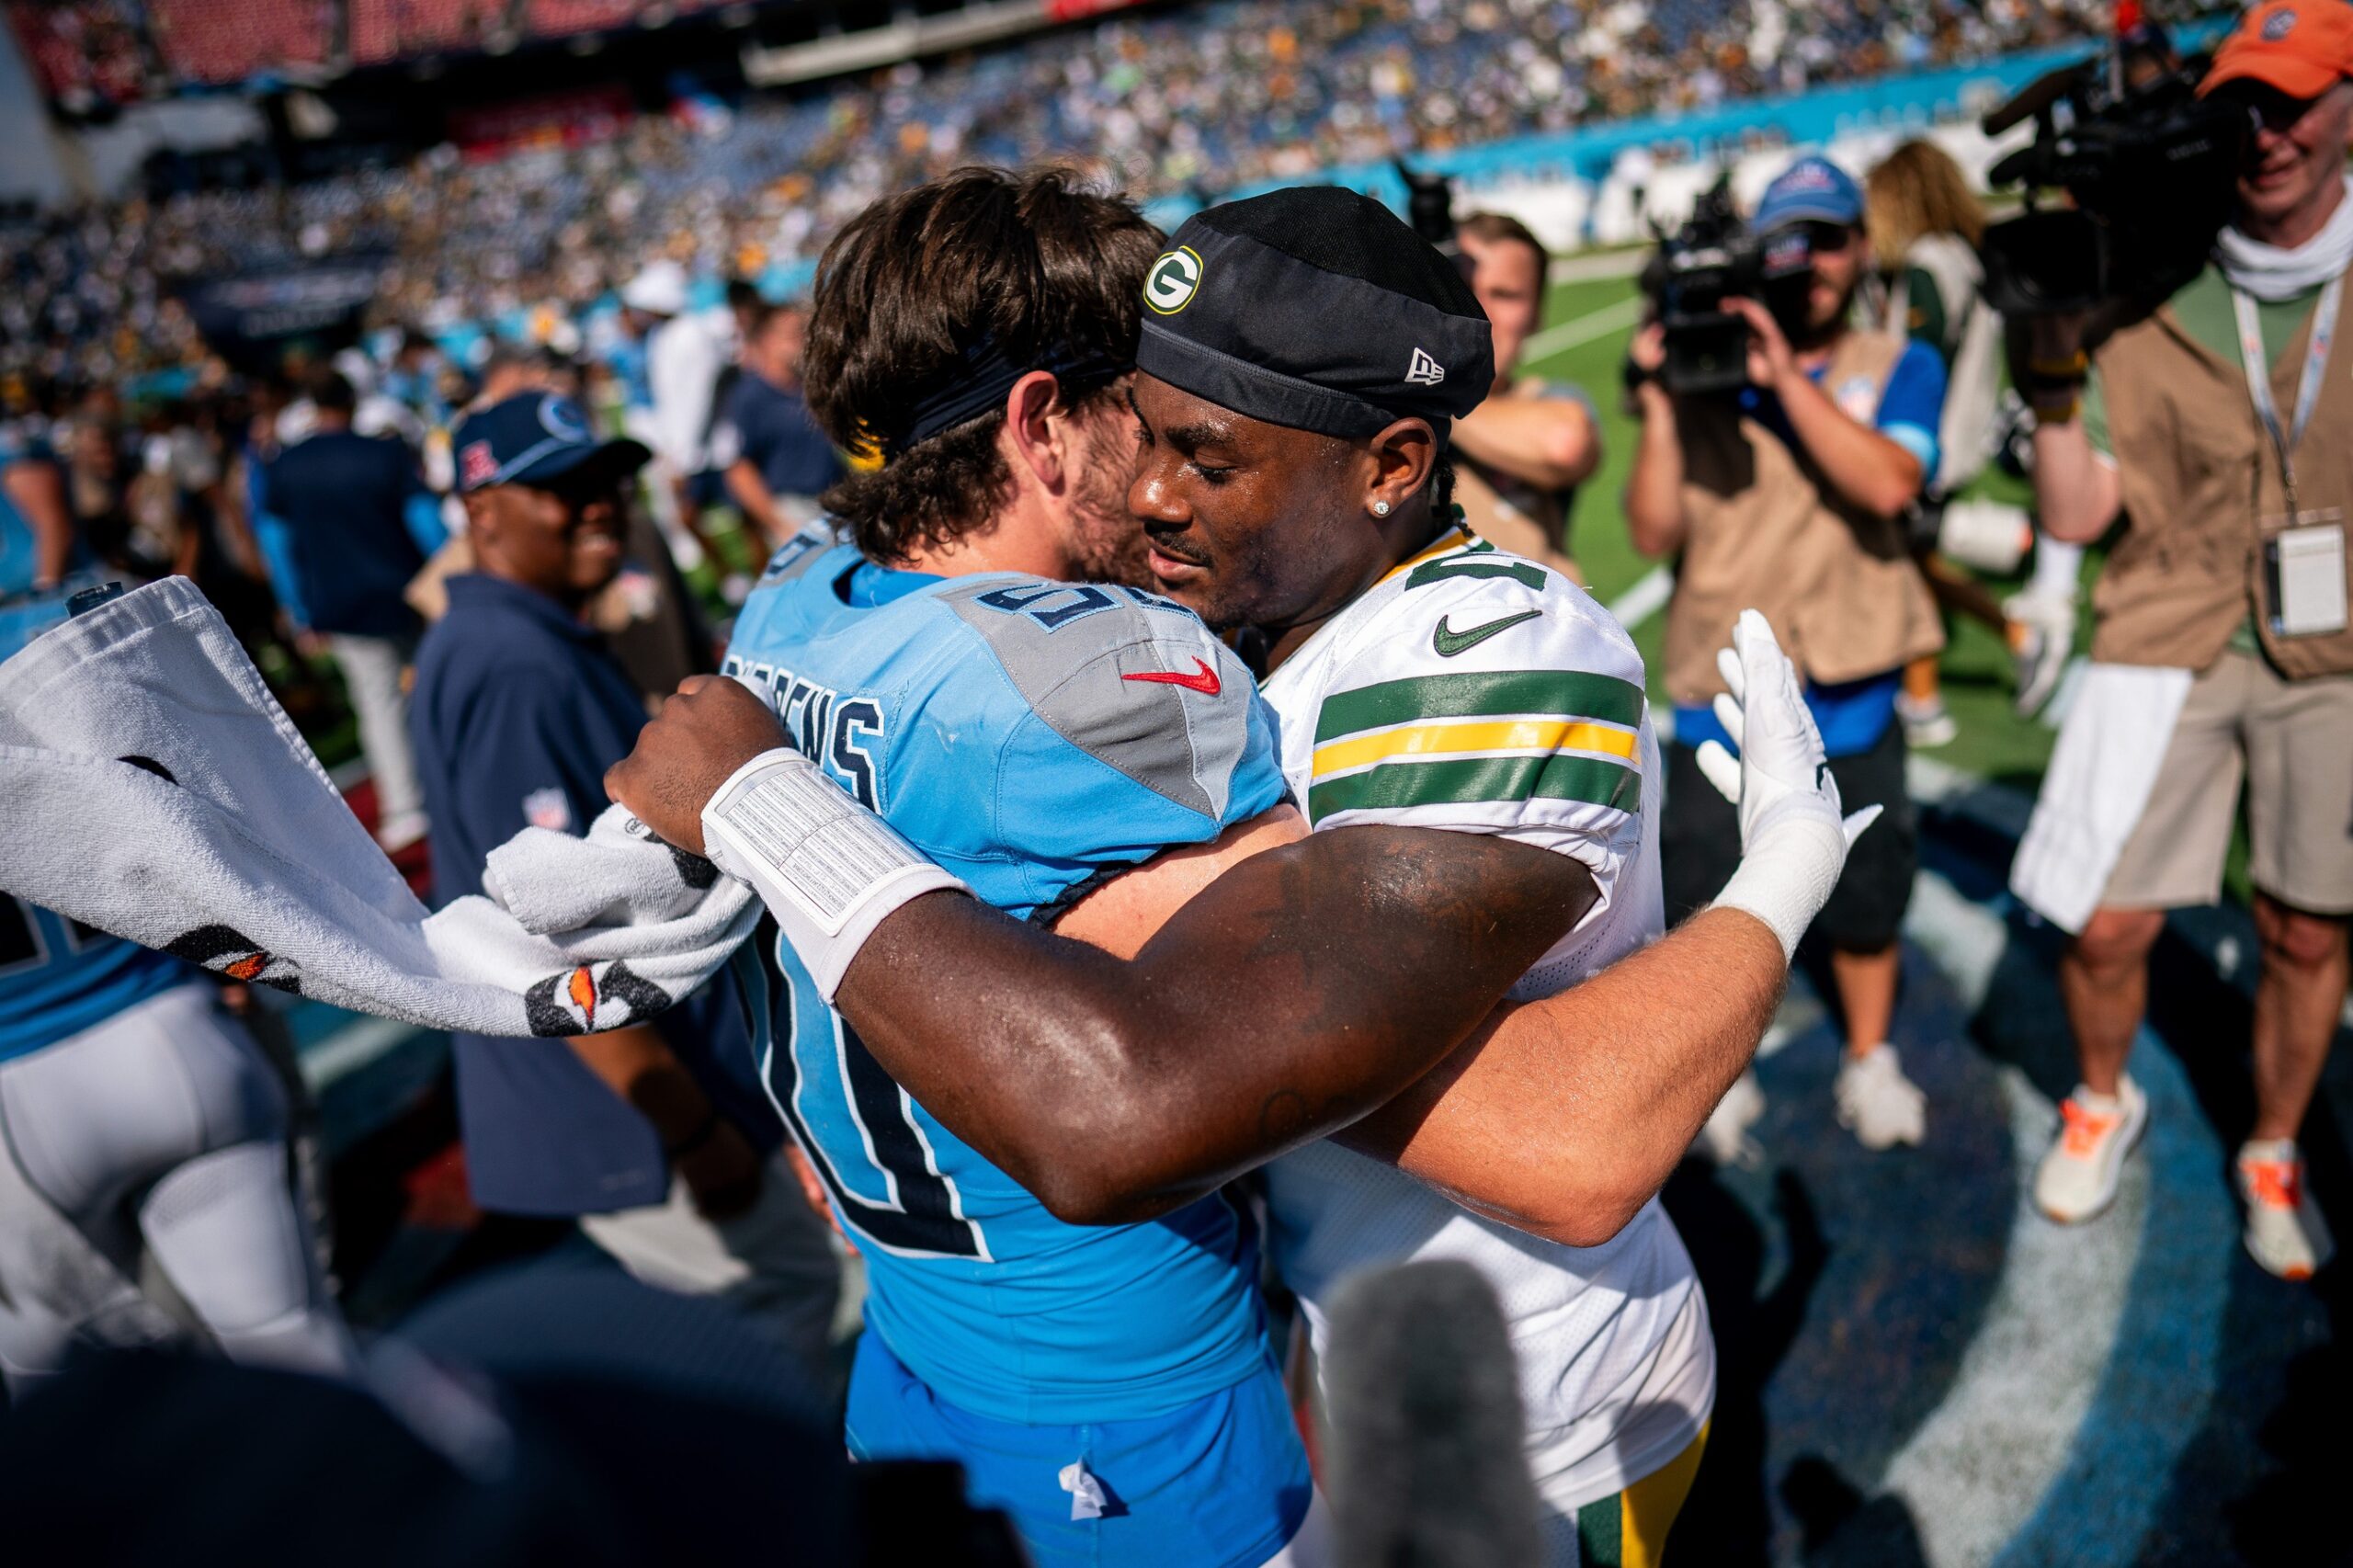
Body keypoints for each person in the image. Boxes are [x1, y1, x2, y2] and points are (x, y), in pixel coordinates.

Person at [609, 175, 1875, 1565]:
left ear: (1390, 466)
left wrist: (1781, 876)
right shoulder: (1183, 624)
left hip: (1529, 1415)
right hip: (1309, 1352)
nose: (1150, 494)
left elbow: (1564, 1148)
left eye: (1204, 459)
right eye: (1142, 435)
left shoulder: (1489, 654)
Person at [2010, 0, 2353, 1280]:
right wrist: (2049, 370)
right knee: (2104, 921)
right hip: (2167, 627)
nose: (2268, 134)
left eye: (2300, 100)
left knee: (2309, 927)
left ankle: (2272, 1141)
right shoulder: (2148, 271)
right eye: (2244, 106)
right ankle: (2104, 1095)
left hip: (2338, 652)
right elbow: (2079, 509)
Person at [408, 392, 839, 1369]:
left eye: (605, 480)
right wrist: (687, 1129)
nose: (598, 503)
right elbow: (546, 934)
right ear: (482, 512)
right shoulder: (514, 662)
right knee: (785, 1299)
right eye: (561, 487)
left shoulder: (520, 638)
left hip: (629, 1089)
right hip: (625, 1102)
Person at [1624, 153, 1946, 1151]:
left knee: (1865, 893)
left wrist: (1780, 379)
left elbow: (1890, 482)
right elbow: (1648, 528)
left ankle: (1869, 1054)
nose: (1807, 263)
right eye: (1786, 242)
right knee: (1711, 897)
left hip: (1850, 679)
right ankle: (1715, 1073)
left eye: (1828, 238)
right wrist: (1670, 393)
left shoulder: (1903, 363)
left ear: (1861, 249)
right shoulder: (1702, 363)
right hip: (1714, 680)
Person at [0, 599, 354, 1392]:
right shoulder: (50, 629)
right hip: (170, 1032)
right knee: (300, 1355)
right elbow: (195, 798)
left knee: (89, 1435)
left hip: (15, 1109)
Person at [1863, 140, 2076, 733]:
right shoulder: (1962, 251)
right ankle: (1924, 695)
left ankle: (2012, 638)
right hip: (1960, 429)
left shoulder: (1929, 264)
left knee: (1906, 563)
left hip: (1930, 438)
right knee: (1915, 562)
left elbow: (1917, 365)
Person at [257, 370, 444, 852]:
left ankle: (404, 808)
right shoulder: (382, 454)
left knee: (378, 703)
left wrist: (296, 605)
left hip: (341, 602)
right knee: (433, 689)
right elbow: (424, 523)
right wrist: (448, 583)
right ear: (353, 402)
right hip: (405, 592)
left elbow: (278, 545)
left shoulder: (286, 466)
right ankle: (447, 782)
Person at [1448, 211, 1602, 583]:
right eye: (1463, 288)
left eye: (1505, 295)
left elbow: (1564, 444)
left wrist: (1422, 385)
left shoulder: (1551, 399)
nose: (1481, 312)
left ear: (1537, 315)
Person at [714, 301, 843, 548]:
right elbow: (738, 469)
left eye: (805, 332)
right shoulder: (748, 397)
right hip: (793, 508)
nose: (803, 340)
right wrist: (778, 522)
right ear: (767, 339)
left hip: (834, 498)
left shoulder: (811, 388)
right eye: (794, 334)